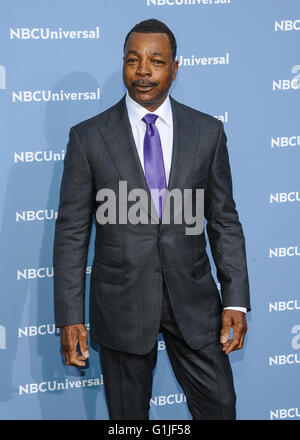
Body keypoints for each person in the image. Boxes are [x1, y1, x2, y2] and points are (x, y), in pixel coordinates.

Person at [53, 18, 251, 420]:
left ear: (175, 68)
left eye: (155, 61)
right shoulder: (88, 137)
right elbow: (72, 233)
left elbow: (224, 220)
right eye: (132, 60)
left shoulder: (207, 132)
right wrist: (70, 317)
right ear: (123, 65)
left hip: (194, 304)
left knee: (221, 407)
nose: (142, 70)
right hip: (121, 305)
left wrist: (237, 301)